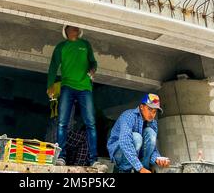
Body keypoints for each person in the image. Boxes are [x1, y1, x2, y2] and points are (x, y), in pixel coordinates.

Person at [47, 25, 105, 170]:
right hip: (67, 86)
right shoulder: (61, 47)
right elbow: (53, 66)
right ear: (66, 31)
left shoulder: (85, 44)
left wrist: (93, 69)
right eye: (73, 27)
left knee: (90, 123)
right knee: (62, 123)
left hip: (85, 88)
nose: (76, 29)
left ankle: (93, 160)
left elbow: (93, 62)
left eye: (77, 28)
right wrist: (50, 85)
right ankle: (61, 157)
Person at [107, 94, 171, 173]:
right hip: (119, 154)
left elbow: (152, 147)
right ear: (141, 107)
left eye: (154, 111)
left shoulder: (153, 123)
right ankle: (125, 170)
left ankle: (144, 168)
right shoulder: (129, 116)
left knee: (151, 133)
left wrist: (157, 158)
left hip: (137, 158)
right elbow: (125, 142)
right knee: (137, 137)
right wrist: (140, 168)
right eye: (149, 109)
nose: (152, 114)